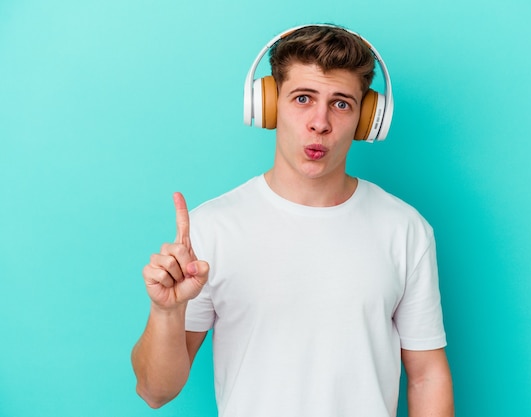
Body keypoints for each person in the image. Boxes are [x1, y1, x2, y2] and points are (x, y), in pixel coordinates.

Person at [131, 24, 454, 417]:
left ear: (367, 119)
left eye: (341, 103)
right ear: (268, 106)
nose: (320, 122)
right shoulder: (212, 228)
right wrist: (166, 311)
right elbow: (154, 392)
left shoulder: (405, 229)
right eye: (303, 98)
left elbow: (426, 376)